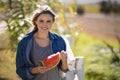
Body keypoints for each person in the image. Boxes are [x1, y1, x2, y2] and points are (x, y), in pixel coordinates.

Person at [16, 5, 73, 80]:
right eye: (41, 21)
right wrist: (36, 70)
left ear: (53, 22)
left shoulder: (59, 41)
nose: (44, 25)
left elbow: (64, 69)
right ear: (36, 21)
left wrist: (64, 60)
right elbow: (20, 70)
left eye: (48, 21)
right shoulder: (25, 42)